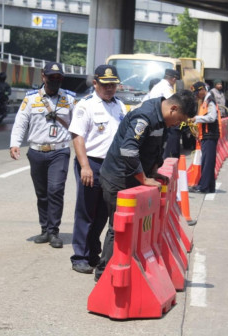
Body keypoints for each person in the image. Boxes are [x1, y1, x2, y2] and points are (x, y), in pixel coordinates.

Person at [94, 89, 197, 281]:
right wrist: (144, 179)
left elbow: (155, 148)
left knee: (133, 227)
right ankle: (104, 273)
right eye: (179, 119)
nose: (177, 124)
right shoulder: (145, 116)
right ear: (173, 108)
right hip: (119, 177)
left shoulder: (161, 119)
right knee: (118, 227)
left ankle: (125, 266)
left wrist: (154, 172)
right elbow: (128, 150)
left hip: (133, 176)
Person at [9, 62, 75, 248]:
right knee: (42, 193)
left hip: (59, 151)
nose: (55, 81)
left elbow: (79, 124)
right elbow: (20, 123)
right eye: (51, 77)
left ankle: (54, 231)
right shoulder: (30, 99)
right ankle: (44, 229)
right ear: (43, 76)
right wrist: (15, 143)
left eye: (59, 78)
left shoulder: (70, 99)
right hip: (37, 152)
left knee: (55, 189)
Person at [68, 65, 126, 274]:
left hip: (112, 166)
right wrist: (84, 166)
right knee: (86, 212)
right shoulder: (86, 106)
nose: (109, 88)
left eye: (113, 84)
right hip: (91, 163)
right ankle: (80, 256)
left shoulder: (120, 106)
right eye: (105, 84)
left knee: (103, 213)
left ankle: (94, 252)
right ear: (95, 83)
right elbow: (77, 136)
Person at [189, 81, 220, 194]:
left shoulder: (209, 100)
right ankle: (210, 186)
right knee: (208, 161)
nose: (196, 95)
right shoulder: (205, 101)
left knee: (207, 162)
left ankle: (204, 187)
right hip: (206, 134)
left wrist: (196, 118)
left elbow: (212, 117)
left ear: (203, 89)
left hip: (210, 135)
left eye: (197, 92)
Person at [143, 68, 182, 159]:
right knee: (160, 144)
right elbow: (173, 103)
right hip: (159, 119)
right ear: (174, 79)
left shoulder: (159, 85)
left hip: (154, 118)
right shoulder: (166, 88)